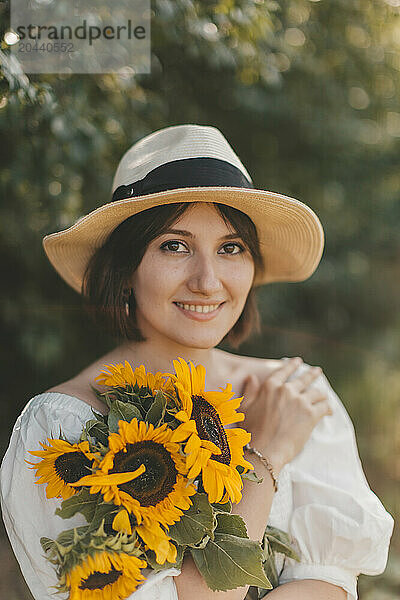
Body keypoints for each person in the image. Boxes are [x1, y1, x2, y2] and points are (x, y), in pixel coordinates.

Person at [0, 124, 394, 600]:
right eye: (175, 246)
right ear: (125, 269)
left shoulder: (297, 393)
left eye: (231, 248)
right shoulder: (62, 428)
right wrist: (263, 456)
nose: (207, 281)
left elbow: (326, 584)